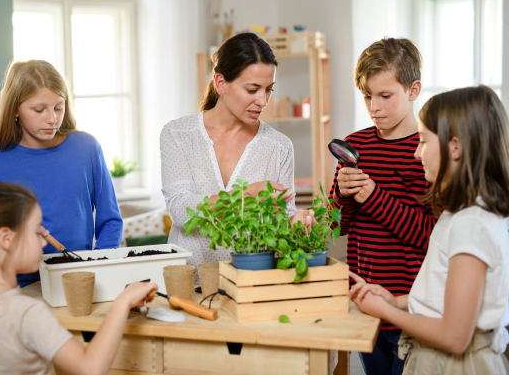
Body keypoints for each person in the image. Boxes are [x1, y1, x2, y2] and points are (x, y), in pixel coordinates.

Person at [0, 182, 157, 375]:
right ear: (6, 239)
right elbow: (91, 368)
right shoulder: (27, 313)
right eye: (37, 230)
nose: (43, 239)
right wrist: (122, 302)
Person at [349, 85, 509, 375]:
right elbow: (451, 296)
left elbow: (454, 336)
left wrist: (387, 312)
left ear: (455, 148)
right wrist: (395, 300)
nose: (416, 153)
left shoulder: (471, 225)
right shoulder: (462, 215)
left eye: (423, 141)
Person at [328, 37, 438, 375]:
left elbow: (433, 234)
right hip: (367, 302)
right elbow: (337, 226)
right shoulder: (356, 144)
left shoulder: (428, 150)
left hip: (412, 309)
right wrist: (342, 197)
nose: (374, 107)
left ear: (413, 89)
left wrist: (374, 197)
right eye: (367, 96)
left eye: (385, 96)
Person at [161, 32, 312, 269]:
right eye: (252, 90)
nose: (263, 101)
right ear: (221, 83)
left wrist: (297, 222)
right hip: (190, 283)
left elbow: (283, 218)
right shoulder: (178, 134)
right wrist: (246, 195)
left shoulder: (279, 147)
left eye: (269, 89)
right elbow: (181, 211)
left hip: (253, 282)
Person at [0, 60, 122, 287]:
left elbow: (110, 220)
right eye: (39, 110)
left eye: (58, 107)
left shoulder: (86, 147)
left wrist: (97, 266)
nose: (52, 118)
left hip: (79, 278)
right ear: (15, 109)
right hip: (17, 286)